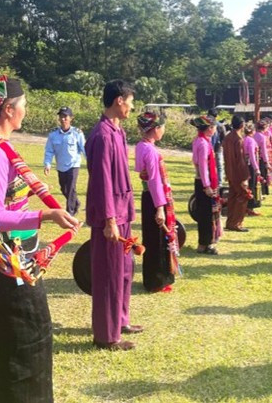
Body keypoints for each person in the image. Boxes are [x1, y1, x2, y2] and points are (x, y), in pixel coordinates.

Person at [0, 76, 80, 401]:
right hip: (6, 262)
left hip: (14, 256)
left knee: (27, 344)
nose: (26, 110)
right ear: (9, 109)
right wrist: (45, 215)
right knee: (21, 346)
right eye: (22, 105)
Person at [85, 79, 142, 351]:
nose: (132, 106)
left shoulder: (117, 131)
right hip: (111, 218)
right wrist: (108, 220)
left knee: (125, 269)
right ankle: (107, 336)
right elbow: (102, 181)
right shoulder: (102, 135)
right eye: (130, 100)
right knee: (108, 274)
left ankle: (121, 319)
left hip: (124, 214)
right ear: (119, 100)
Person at [135, 111, 178, 293]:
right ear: (156, 129)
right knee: (158, 240)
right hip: (155, 199)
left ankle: (152, 278)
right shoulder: (151, 151)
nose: (163, 130)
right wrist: (160, 208)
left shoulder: (140, 146)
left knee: (150, 238)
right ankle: (157, 280)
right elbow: (154, 181)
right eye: (162, 127)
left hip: (148, 197)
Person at [43, 106, 86, 216]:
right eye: (61, 116)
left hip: (73, 165)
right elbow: (49, 151)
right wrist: (47, 164)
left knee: (71, 188)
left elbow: (84, 149)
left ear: (71, 118)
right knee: (64, 189)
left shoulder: (77, 133)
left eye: (66, 116)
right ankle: (75, 202)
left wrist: (91, 162)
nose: (63, 119)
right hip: (61, 166)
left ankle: (70, 213)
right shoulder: (53, 134)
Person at [191, 114, 222, 254]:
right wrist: (207, 186)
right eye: (214, 127)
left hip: (202, 181)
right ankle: (206, 243)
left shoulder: (199, 140)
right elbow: (203, 166)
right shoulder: (203, 144)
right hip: (205, 182)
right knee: (207, 214)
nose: (215, 129)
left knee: (204, 213)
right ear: (209, 128)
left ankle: (204, 242)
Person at [222, 115, 250, 232]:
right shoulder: (238, 139)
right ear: (242, 125)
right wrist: (245, 177)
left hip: (230, 171)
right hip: (238, 173)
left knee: (232, 197)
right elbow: (240, 160)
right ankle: (236, 223)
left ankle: (230, 222)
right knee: (243, 196)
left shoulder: (227, 137)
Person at [243, 124, 262, 216]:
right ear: (253, 131)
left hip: (245, 164)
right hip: (250, 165)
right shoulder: (250, 141)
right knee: (252, 186)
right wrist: (256, 168)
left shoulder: (243, 139)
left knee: (248, 185)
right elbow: (252, 155)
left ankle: (246, 206)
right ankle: (250, 207)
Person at [254, 120, 272, 195]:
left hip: (255, 157)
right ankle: (263, 191)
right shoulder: (263, 137)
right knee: (263, 175)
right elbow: (264, 150)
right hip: (261, 158)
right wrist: (267, 162)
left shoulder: (254, 135)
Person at [209, 109, 226, 182]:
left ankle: (210, 180)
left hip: (210, 147)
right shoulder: (220, 125)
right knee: (219, 166)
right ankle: (220, 182)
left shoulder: (206, 124)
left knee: (209, 165)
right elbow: (224, 137)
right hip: (218, 147)